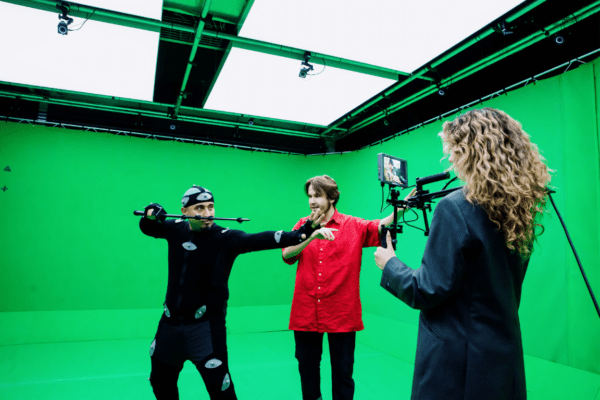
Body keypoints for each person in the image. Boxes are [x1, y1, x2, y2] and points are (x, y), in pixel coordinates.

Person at [374, 108, 552, 400]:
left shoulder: (454, 207)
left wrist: (389, 264)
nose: (452, 161)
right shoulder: (519, 209)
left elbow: (426, 290)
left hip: (457, 364)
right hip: (501, 354)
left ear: (469, 152)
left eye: (454, 151)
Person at [139, 185, 324, 400]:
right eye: (200, 208)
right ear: (184, 211)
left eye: (211, 207)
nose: (208, 213)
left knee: (222, 392)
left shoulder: (225, 238)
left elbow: (260, 239)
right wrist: (152, 213)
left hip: (205, 329)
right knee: (160, 382)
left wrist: (302, 232)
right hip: (169, 327)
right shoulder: (175, 228)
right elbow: (148, 227)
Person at [282, 175, 412, 400]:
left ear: (332, 198)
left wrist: (402, 208)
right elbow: (287, 255)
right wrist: (310, 236)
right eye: (310, 196)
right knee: (307, 371)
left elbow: (380, 225)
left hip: (341, 314)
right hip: (306, 312)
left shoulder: (353, 226)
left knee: (343, 374)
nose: (312, 201)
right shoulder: (302, 224)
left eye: (317, 196)